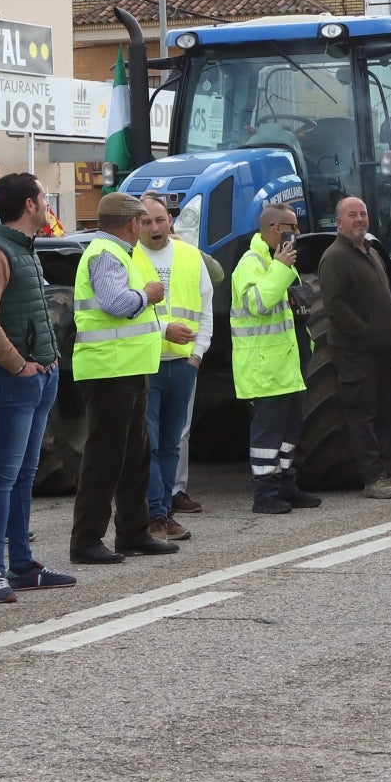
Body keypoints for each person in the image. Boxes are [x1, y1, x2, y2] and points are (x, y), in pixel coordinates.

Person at [0, 172, 74, 601]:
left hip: (39, 376)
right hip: (16, 380)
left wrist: (46, 363)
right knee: (4, 475)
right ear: (30, 205)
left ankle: (23, 566)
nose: (48, 204)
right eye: (45, 197)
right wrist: (17, 365)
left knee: (23, 476)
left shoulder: (22, 249)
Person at [69, 192, 175, 562]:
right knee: (105, 459)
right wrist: (147, 295)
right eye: (143, 221)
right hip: (109, 371)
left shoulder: (115, 253)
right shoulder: (106, 254)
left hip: (126, 369)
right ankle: (87, 541)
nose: (146, 227)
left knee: (134, 457)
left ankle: (134, 532)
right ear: (132, 223)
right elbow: (117, 304)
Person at [229, 202, 318, 514]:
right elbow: (258, 303)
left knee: (289, 430)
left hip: (287, 363)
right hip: (263, 365)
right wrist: (280, 268)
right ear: (275, 229)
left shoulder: (280, 261)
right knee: (267, 433)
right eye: (292, 227)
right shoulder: (251, 263)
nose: (297, 232)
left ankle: (285, 485)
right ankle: (264, 494)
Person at [322, 196, 391, 499]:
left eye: (363, 213)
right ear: (339, 222)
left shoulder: (371, 252)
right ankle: (373, 479)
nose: (359, 219)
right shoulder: (334, 257)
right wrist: (365, 333)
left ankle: (389, 473)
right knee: (363, 416)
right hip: (357, 353)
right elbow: (335, 306)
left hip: (385, 352)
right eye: (352, 215)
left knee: (390, 413)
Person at [139, 192, 215, 536]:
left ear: (170, 221)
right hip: (146, 364)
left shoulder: (189, 255)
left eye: (159, 220)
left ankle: (164, 509)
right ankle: (156, 514)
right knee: (150, 443)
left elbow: (206, 307)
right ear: (135, 224)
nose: (155, 227)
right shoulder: (129, 257)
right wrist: (163, 330)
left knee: (171, 444)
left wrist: (198, 354)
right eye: (146, 221)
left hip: (183, 365)